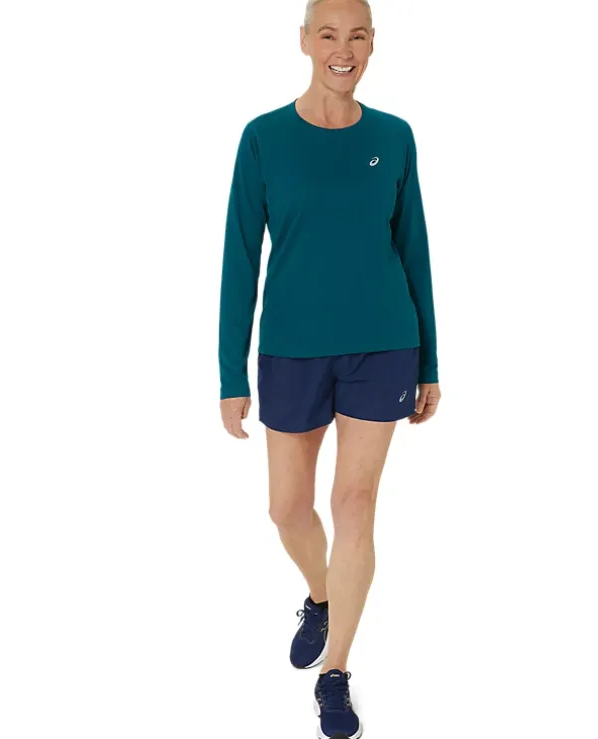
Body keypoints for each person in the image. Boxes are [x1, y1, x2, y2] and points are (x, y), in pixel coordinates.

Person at [217, 1, 440, 736]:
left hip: (384, 344)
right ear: (305, 42)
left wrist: (430, 359)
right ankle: (321, 595)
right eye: (329, 35)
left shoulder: (395, 136)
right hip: (291, 348)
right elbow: (240, 259)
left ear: (373, 43)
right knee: (286, 507)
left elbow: (413, 249)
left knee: (354, 503)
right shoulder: (263, 138)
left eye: (357, 35)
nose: (344, 50)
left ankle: (335, 670)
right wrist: (230, 373)